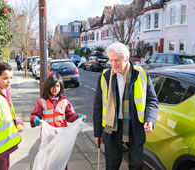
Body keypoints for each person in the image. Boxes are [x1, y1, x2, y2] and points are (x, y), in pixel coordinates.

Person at [93, 42, 158, 170]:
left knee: (136, 164)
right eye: (111, 60)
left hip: (135, 126)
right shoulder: (104, 76)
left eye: (117, 60)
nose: (113, 64)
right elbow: (98, 106)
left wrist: (150, 120)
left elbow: (152, 100)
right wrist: (97, 133)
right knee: (111, 164)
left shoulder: (141, 74)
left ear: (126, 58)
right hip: (111, 127)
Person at [30, 73, 86, 170]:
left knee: (61, 160)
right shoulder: (42, 102)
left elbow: (70, 115)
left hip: (61, 136)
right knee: (47, 160)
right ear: (48, 87)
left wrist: (77, 117)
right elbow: (34, 114)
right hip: (48, 137)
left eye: (57, 86)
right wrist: (35, 120)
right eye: (52, 86)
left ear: (61, 87)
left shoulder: (65, 102)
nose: (55, 89)